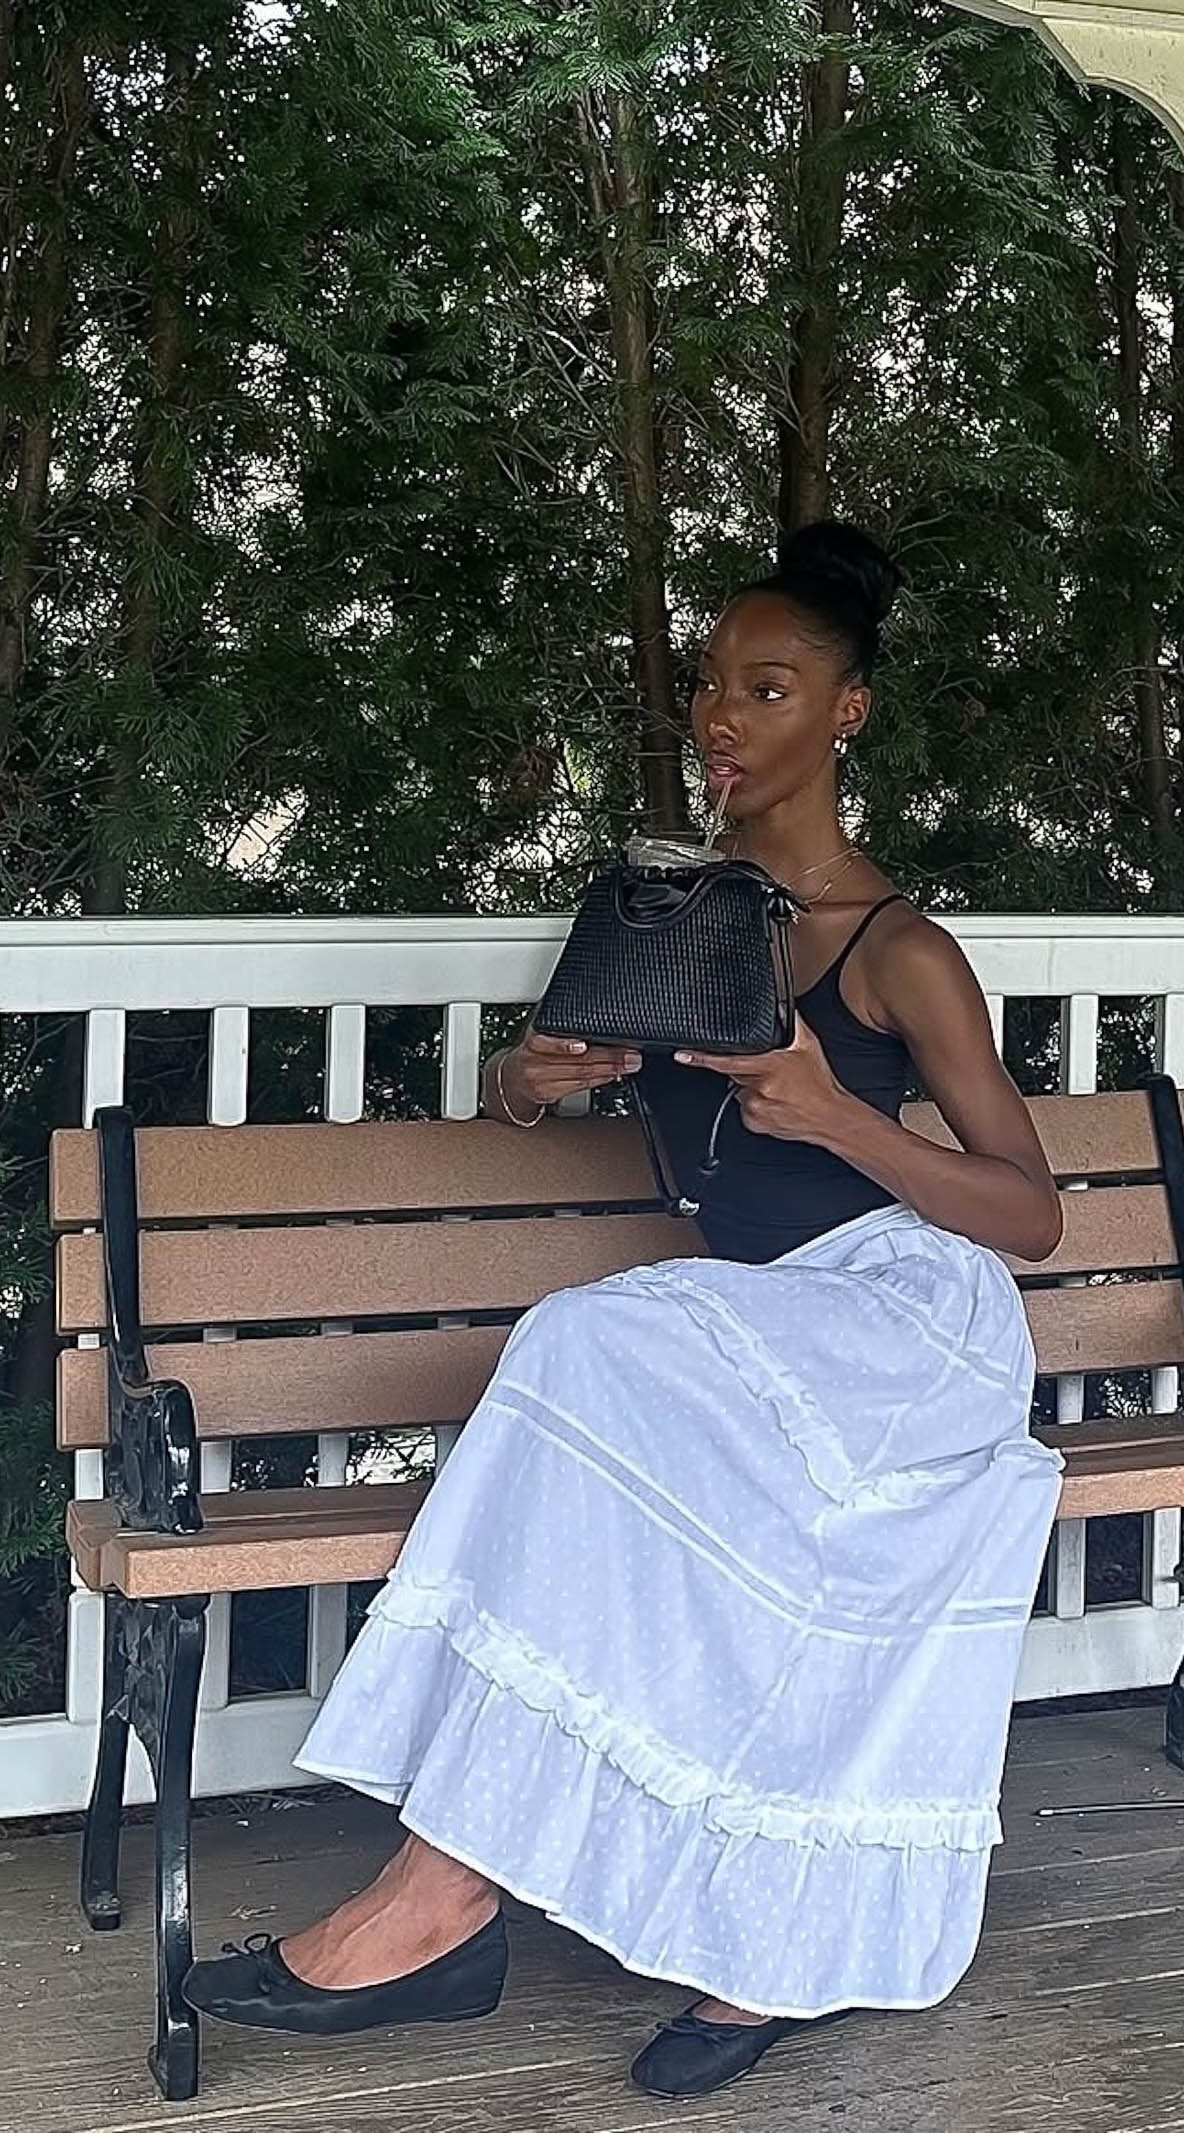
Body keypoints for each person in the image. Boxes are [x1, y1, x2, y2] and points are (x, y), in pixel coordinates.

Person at [183, 522, 1066, 2099]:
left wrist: (837, 1115)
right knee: (633, 1439)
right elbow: (537, 1087)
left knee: (586, 1340)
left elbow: (1027, 1210)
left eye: (768, 686)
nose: (722, 717)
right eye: (710, 686)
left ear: (843, 714)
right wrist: (530, 1083)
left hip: (905, 1319)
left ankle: (444, 1897)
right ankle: (654, 1924)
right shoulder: (668, 919)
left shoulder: (895, 950)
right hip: (767, 1330)